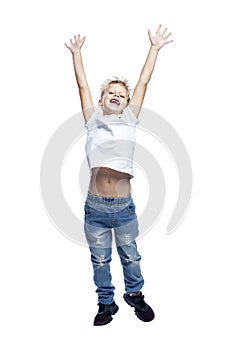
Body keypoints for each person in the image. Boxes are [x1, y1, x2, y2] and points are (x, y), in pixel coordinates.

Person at [65, 24, 173, 326]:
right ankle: (105, 302)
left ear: (127, 104)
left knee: (131, 256)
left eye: (121, 95)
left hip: (124, 208)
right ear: (102, 101)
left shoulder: (131, 120)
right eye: (111, 93)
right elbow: (83, 87)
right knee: (100, 259)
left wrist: (154, 48)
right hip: (95, 208)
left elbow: (143, 81)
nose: (116, 95)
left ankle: (135, 295)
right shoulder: (92, 119)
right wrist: (77, 54)